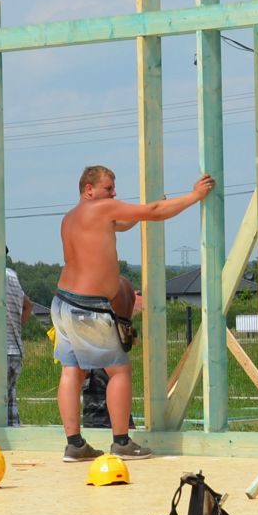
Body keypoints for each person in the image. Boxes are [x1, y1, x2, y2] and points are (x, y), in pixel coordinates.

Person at [55, 164, 213, 462]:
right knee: (119, 370)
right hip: (89, 308)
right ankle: (122, 442)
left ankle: (74, 445)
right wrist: (194, 196)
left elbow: (128, 220)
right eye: (108, 188)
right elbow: (154, 212)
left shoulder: (71, 217)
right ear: (89, 189)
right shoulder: (102, 208)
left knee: (71, 371)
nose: (113, 193)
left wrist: (147, 210)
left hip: (63, 303)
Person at [2, 258, 32, 427]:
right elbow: (28, 305)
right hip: (14, 349)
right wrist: (16, 325)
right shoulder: (12, 275)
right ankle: (13, 431)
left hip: (2, 349)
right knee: (9, 398)